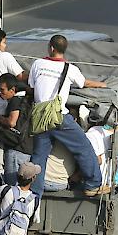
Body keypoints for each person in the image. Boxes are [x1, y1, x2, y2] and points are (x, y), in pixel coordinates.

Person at [28, 35, 110, 197]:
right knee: (83, 147)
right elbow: (83, 83)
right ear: (64, 50)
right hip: (59, 118)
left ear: (51, 48)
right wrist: (101, 84)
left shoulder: (37, 64)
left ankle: (34, 193)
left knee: (39, 156)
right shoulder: (70, 69)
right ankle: (92, 184)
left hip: (40, 117)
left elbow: (32, 85)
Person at [0, 73, 33, 185]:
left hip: (16, 149)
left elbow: (12, 122)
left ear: (12, 90)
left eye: (3, 90)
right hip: (26, 148)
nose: (0, 93)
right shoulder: (26, 101)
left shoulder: (15, 101)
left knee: (12, 186)